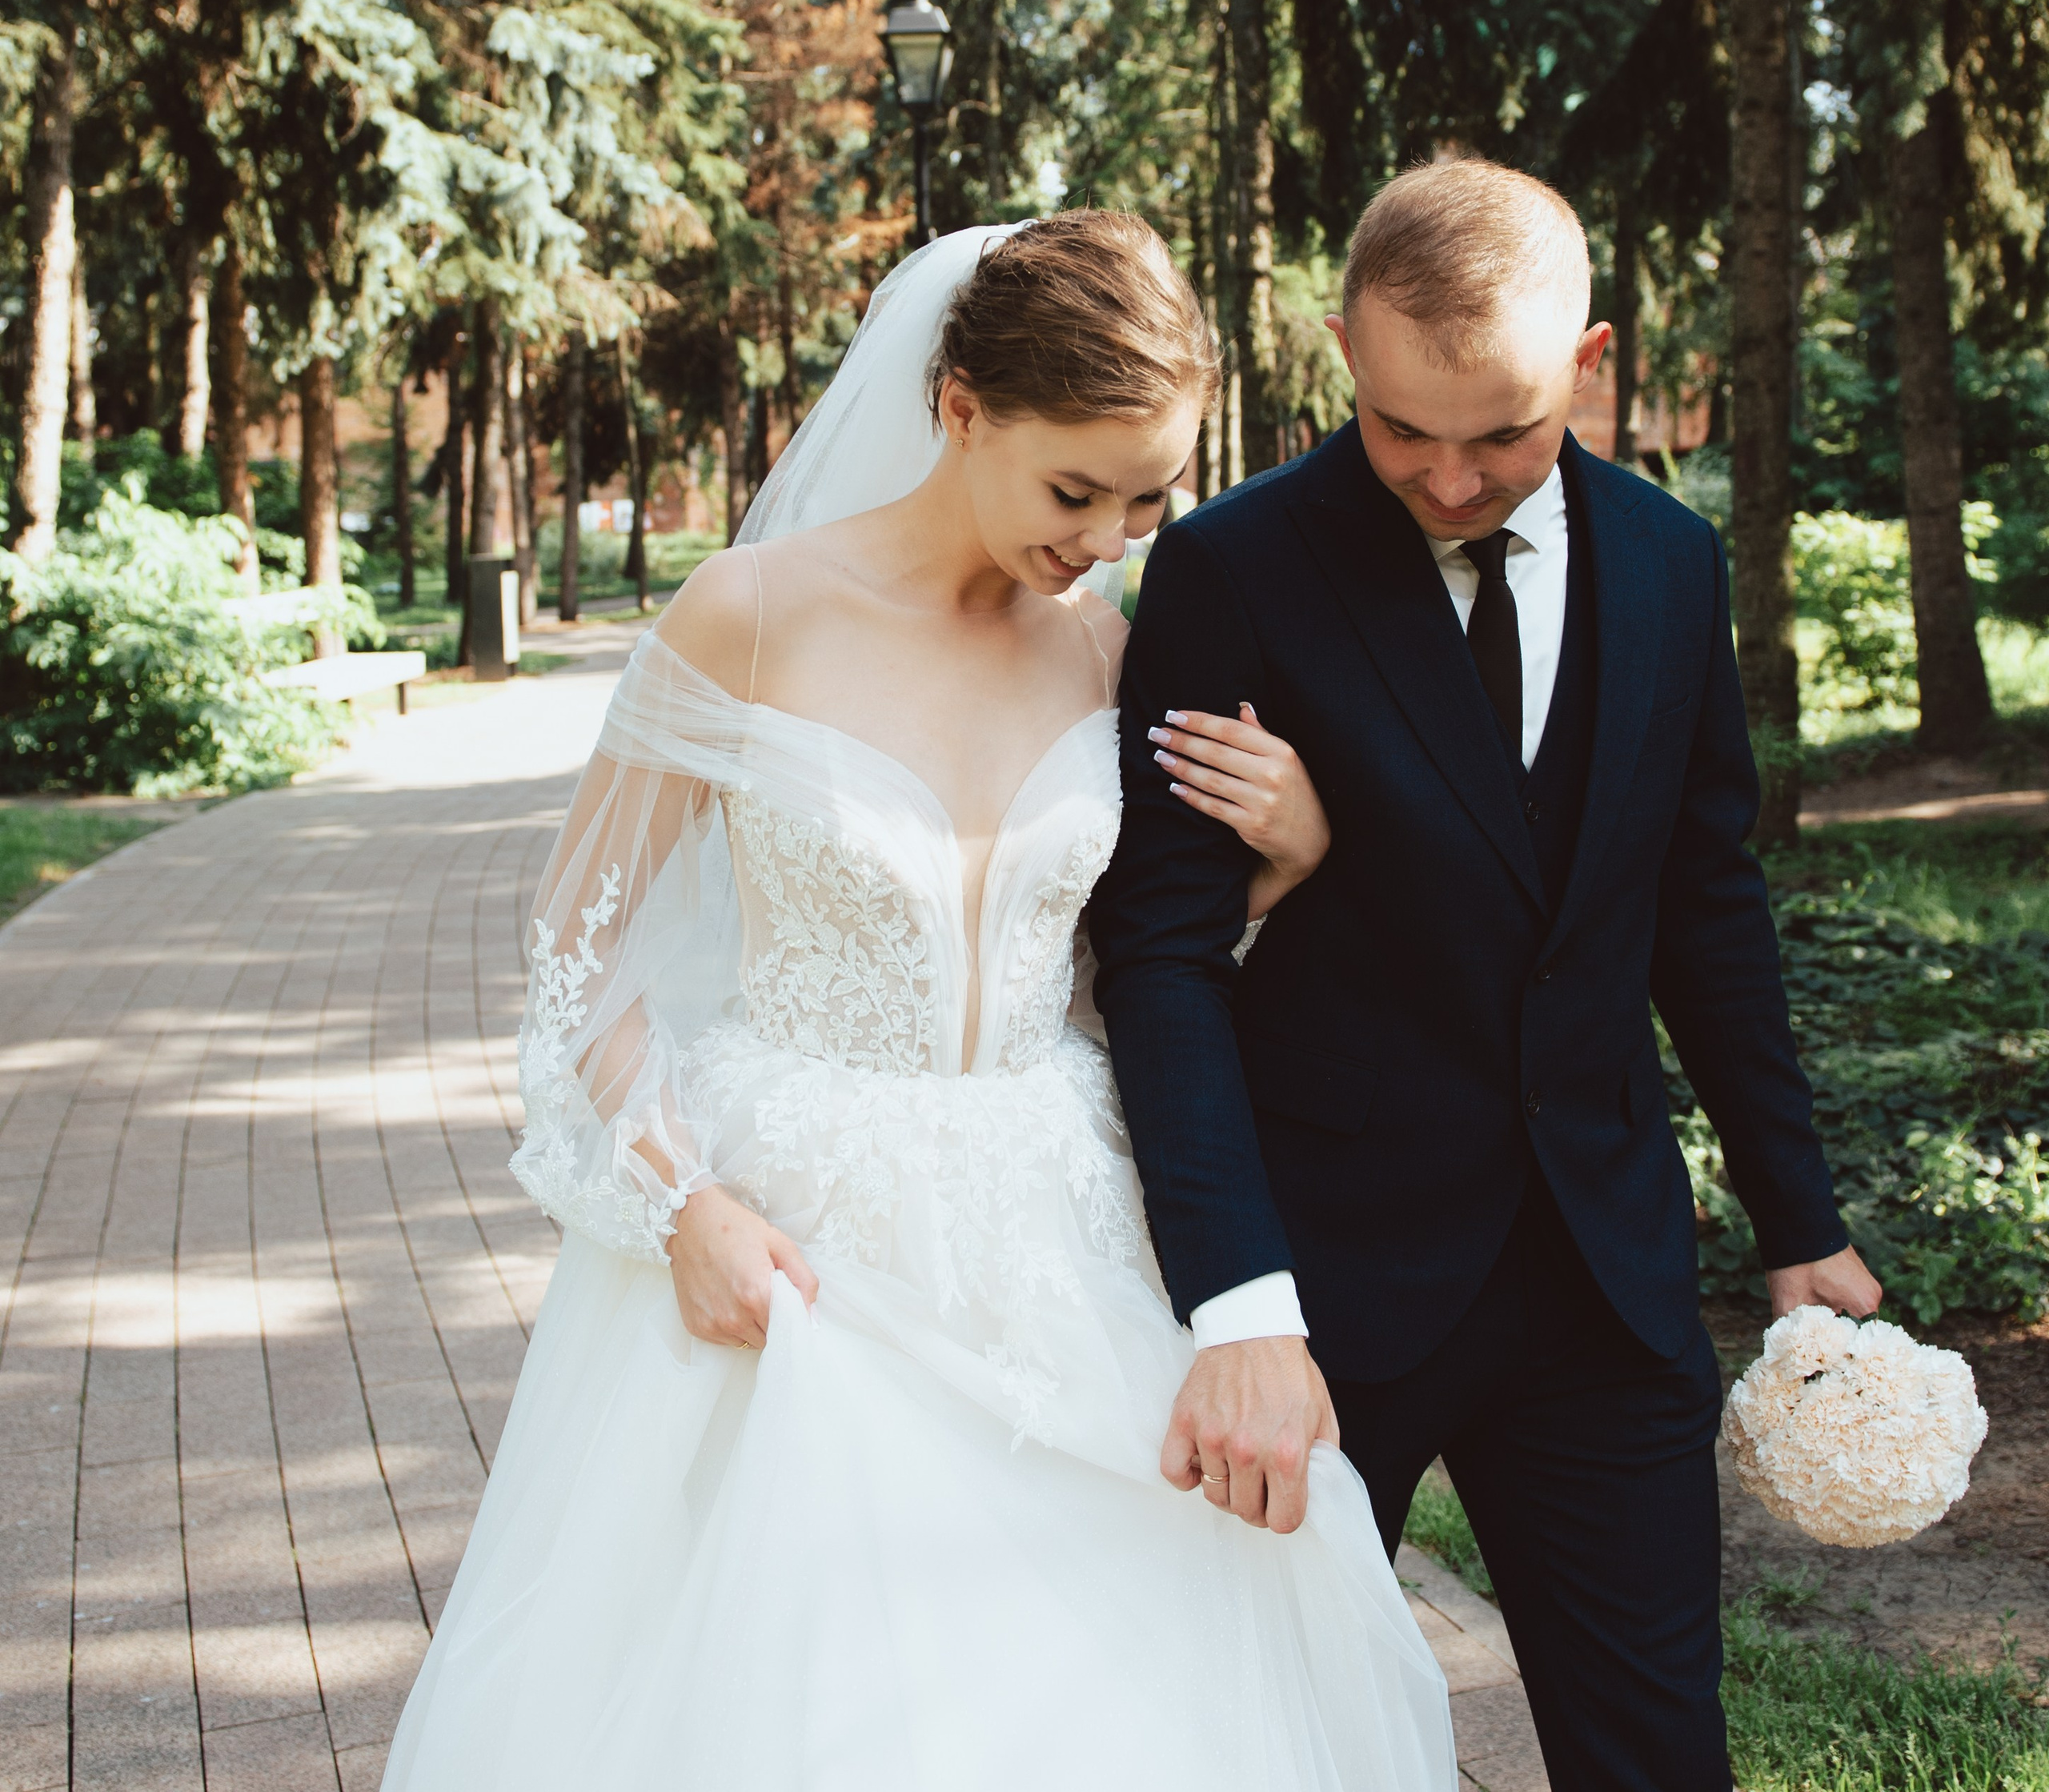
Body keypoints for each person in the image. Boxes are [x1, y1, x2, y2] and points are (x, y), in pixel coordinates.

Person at [382, 214, 1456, 1792]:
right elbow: (577, 956)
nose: (1103, 532)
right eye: (1070, 486)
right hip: (800, 1244)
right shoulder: (747, 615)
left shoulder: (1102, 651)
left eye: (1146, 494)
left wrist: (1281, 865)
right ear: (957, 408)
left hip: (1055, 1224)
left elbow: (1116, 972)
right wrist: (683, 1202)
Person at [1093, 158, 1879, 1792]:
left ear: (1586, 363)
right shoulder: (1233, 569)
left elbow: (1701, 904)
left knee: (1657, 1748)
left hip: (1599, 1271)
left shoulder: (1670, 562)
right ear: (1339, 349)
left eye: (1501, 432)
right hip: (1320, 1293)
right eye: (1400, 429)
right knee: (1268, 1748)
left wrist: (1793, 1216)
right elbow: (1162, 950)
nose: (1448, 478)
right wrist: (1235, 1302)